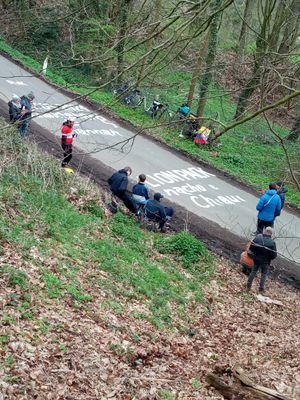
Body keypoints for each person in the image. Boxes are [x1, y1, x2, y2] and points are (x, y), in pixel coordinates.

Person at [246, 227, 277, 292]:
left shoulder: (257, 238)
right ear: (271, 234)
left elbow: (251, 248)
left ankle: (248, 285)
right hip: (265, 261)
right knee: (264, 274)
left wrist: (255, 255)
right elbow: (274, 255)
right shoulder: (272, 243)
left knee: (253, 271)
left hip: (256, 259)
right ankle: (261, 288)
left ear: (264, 231)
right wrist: (268, 257)